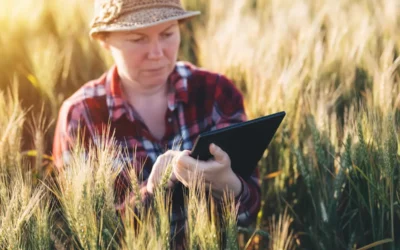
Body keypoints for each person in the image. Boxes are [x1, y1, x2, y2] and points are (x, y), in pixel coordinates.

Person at [52, 0, 261, 248]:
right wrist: (151, 192)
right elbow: (89, 233)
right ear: (104, 40)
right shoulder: (82, 115)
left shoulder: (216, 93)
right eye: (138, 39)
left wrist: (229, 185)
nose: (157, 52)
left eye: (167, 34)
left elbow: (249, 214)